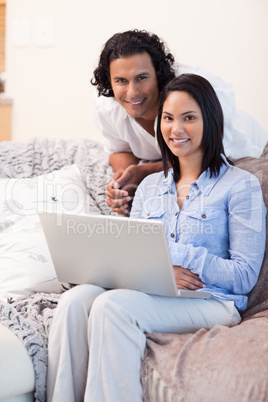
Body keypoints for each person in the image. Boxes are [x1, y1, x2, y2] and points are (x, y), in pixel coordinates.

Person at [47, 73, 266, 402]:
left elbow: (244, 276)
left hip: (214, 301)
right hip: (158, 290)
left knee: (112, 306)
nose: (176, 129)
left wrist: (175, 256)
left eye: (189, 118)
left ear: (211, 121)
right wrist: (160, 270)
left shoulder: (240, 185)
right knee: (74, 302)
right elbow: (134, 256)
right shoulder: (150, 187)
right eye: (168, 118)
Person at [91, 29, 268, 215]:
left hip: (243, 152)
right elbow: (119, 149)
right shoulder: (106, 106)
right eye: (121, 81)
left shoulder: (199, 91)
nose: (132, 92)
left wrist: (145, 171)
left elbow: (210, 156)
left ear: (158, 74)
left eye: (142, 78)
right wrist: (124, 179)